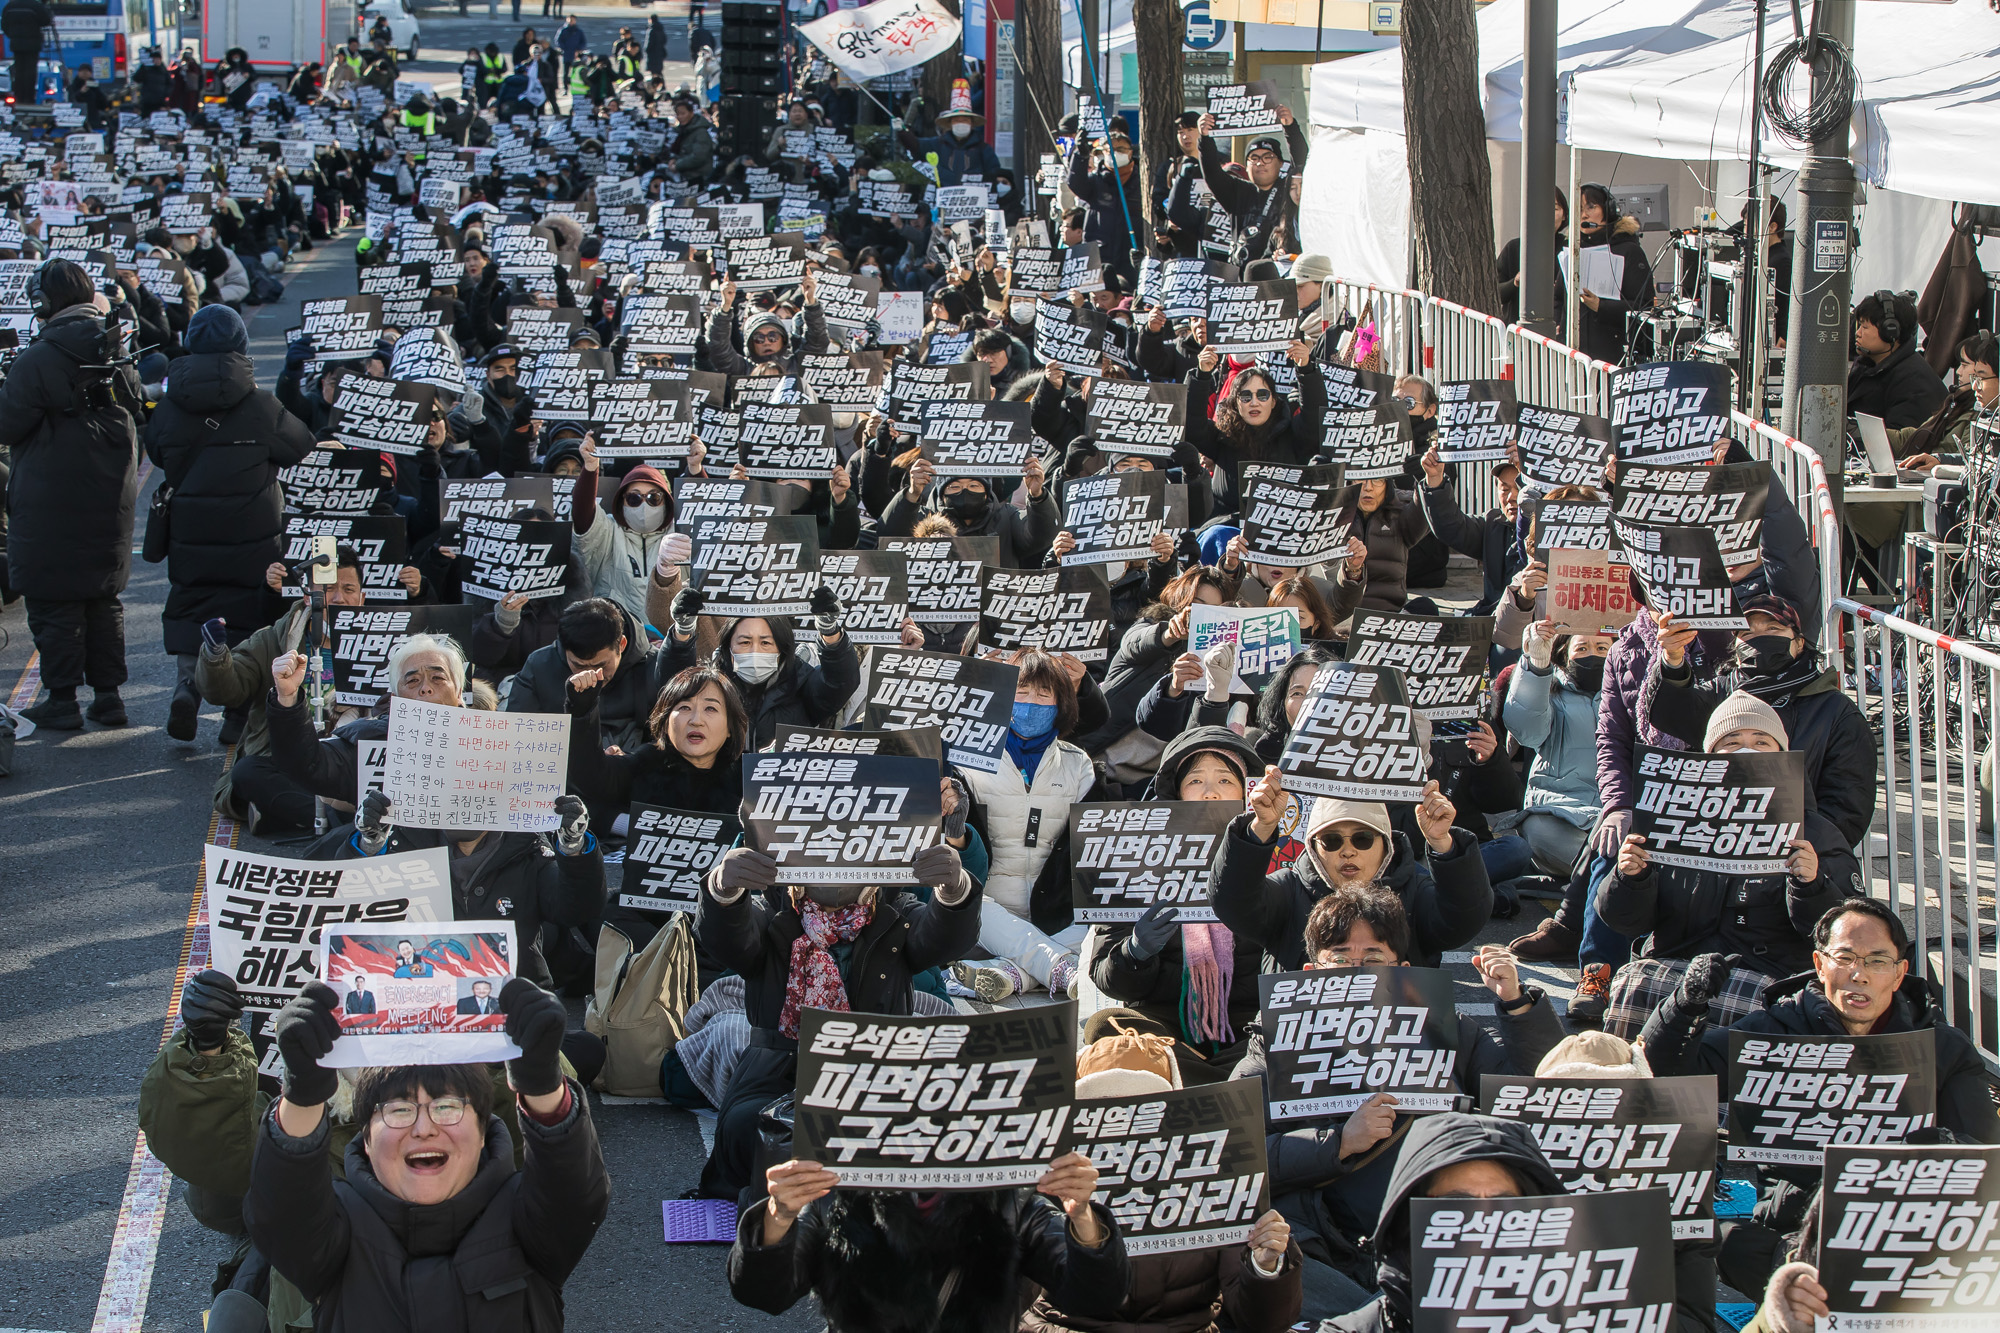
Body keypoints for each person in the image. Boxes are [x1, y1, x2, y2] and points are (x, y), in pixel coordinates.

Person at [1640, 898, 2000, 1297]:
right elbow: (1666, 1078)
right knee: (1722, 1243)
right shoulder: (1778, 1028)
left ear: (1900, 974)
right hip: (1795, 1225)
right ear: (1819, 963)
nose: (1859, 975)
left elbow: (1983, 1155)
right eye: (1845, 957)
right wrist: (1684, 1006)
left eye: (1877, 961)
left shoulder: (1944, 1048)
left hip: (1905, 1228)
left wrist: (1935, 1149)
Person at [1244, 888, 1564, 1322]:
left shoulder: (1448, 1031)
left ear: (1403, 969)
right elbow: (1239, 1157)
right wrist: (1335, 1144)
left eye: (1373, 959)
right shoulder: (1272, 1046)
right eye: (1339, 958)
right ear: (1309, 971)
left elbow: (1530, 1107)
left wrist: (1516, 1004)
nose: (1355, 972)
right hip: (1320, 1244)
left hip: (1439, 1238)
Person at [243, 978, 608, 1330]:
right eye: (399, 1110)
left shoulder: (526, 1219)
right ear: (366, 1139)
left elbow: (574, 1193)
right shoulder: (336, 1227)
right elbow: (280, 1211)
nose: (424, 1128)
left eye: (447, 1107)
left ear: (483, 1130)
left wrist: (542, 1084)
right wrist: (303, 1093)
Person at [692, 835, 980, 1200]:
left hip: (881, 1074)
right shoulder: (772, 913)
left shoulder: (897, 914)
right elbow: (728, 940)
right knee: (760, 1130)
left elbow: (941, 938)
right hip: (779, 1076)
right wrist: (723, 889)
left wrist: (955, 889)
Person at [1598, 691, 1859, 1039]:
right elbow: (1623, 920)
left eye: (1761, 741)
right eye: (1731, 742)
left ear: (1782, 753)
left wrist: (1811, 885)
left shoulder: (1816, 832)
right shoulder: (1667, 821)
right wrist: (1631, 878)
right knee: (1634, 985)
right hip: (1677, 961)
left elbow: (1846, 929)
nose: (1746, 750)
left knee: (1756, 1012)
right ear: (1710, 757)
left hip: (1767, 971)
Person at [1022, 1030, 1303, 1333]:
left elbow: (1260, 1321)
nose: (1126, 1128)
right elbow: (1002, 1296)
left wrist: (1265, 1266)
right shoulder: (1046, 1179)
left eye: (1145, 1108)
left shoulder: (1217, 1174)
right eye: (1105, 1108)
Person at [143, 303, 315, 743]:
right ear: (241, 347)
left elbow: (159, 454)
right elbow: (301, 447)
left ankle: (187, 687)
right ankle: (237, 713)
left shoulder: (167, 406)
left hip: (190, 530)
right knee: (247, 616)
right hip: (252, 533)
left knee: (190, 605)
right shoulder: (260, 404)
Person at [732, 1150, 1128, 1332]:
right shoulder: (837, 1197)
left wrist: (1083, 1217)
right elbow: (763, 1293)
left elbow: (1095, 1296)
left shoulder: (1008, 1198)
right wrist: (778, 1215)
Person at [4, 259, 144, 732]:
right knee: (102, 597)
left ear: (45, 303)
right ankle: (109, 698)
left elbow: (6, 425)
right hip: (111, 494)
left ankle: (62, 699)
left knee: (53, 599)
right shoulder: (113, 344)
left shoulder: (39, 357)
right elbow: (137, 403)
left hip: (49, 499)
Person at [1088, 728, 1270, 1082]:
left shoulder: (1272, 852)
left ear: (1247, 791)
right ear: (1176, 791)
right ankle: (1228, 1085)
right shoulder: (1134, 854)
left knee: (1282, 1044)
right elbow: (1107, 977)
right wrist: (1136, 952)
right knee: (1105, 1030)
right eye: (1196, 780)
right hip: (1164, 1021)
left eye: (1225, 780)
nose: (1210, 791)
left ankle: (1187, 1080)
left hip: (1250, 1026)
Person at [1211, 764, 1492, 973]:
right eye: (1331, 840)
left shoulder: (1414, 892)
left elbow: (1464, 917)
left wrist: (1442, 842)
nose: (1348, 851)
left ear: (1386, 844)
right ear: (1312, 846)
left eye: (1363, 838)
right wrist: (1261, 828)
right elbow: (1232, 902)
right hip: (1301, 1041)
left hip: (1399, 1039)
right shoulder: (1288, 890)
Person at [955, 652, 1100, 1001]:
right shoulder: (970, 760)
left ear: (1061, 702)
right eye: (1021, 692)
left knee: (1107, 920)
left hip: (1053, 909)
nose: (1031, 703)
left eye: (1043, 694)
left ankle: (1014, 972)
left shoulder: (1077, 764)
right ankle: (1059, 968)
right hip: (990, 910)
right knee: (967, 899)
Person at [506, 597, 661, 754]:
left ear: (621, 644)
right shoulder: (540, 666)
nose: (591, 675)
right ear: (564, 649)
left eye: (601, 665)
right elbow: (518, 732)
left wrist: (629, 761)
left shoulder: (656, 668)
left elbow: (673, 742)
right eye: (579, 665)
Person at [1415, 447, 1526, 616]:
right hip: (1493, 622)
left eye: (1521, 487)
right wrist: (1435, 479)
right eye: (1504, 488)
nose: (1512, 496)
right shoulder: (1492, 524)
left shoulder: (1553, 529)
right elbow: (1451, 528)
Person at [1193, 110, 1309, 269]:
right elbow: (1212, 174)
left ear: (1281, 163)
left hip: (1278, 274)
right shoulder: (1237, 192)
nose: (1260, 163)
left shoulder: (1288, 188)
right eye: (1254, 158)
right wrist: (1205, 138)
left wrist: (1290, 127)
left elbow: (1302, 164)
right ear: (1246, 166)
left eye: (1267, 157)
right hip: (1243, 277)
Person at [1570, 182, 1655, 365]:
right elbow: (1559, 297)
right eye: (1579, 208)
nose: (1584, 214)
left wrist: (1602, 306)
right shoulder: (1573, 249)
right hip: (1572, 350)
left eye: (1591, 207)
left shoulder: (1629, 251)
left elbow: (1644, 305)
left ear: (1608, 210)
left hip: (1611, 352)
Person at [1847, 290, 1948, 429]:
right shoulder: (1867, 365)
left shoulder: (1914, 382)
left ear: (1890, 332)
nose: (1857, 334)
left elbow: (1900, 441)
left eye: (1864, 327)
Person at [1066, 129, 1144, 283]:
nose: (1115, 154)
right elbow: (1075, 184)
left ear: (1130, 153)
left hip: (1132, 256)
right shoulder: (1096, 181)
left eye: (1120, 149)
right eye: (1110, 150)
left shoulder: (1142, 180)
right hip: (1100, 255)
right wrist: (1080, 155)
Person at [1496, 188, 1567, 325]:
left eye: (1554, 208)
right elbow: (1494, 292)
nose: (1547, 214)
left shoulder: (1570, 248)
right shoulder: (1514, 248)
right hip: (1517, 331)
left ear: (1564, 215)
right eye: (1541, 208)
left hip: (1559, 333)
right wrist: (1515, 282)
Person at [0, 0, 50, 105]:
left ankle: (18, 98)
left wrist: (14, 36)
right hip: (33, 43)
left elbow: (4, 25)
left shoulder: (9, 6)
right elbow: (46, 20)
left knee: (18, 71)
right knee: (30, 72)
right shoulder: (35, 6)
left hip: (16, 44)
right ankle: (28, 99)